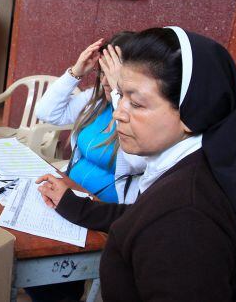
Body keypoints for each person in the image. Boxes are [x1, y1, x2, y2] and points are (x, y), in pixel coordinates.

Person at [38, 27, 236, 301]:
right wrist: (75, 205)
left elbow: (161, 223)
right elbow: (142, 218)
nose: (119, 113)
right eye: (119, 94)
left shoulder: (186, 218)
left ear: (191, 110)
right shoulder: (192, 169)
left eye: (137, 103)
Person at [28, 33, 145, 302]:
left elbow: (136, 160)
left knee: (53, 273)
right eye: (102, 73)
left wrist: (121, 95)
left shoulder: (138, 116)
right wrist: (76, 71)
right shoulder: (94, 101)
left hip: (103, 213)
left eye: (114, 75)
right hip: (70, 196)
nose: (105, 81)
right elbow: (47, 113)